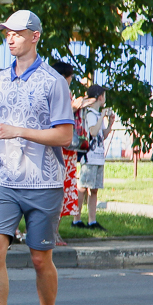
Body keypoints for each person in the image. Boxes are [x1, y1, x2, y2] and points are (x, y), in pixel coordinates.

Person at [0, 10, 73, 305]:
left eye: (17, 32)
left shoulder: (53, 82)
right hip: (2, 177)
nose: (10, 38)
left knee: (40, 258)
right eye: (6, 34)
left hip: (43, 181)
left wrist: (20, 131)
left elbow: (64, 135)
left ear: (35, 37)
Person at [50, 60, 91, 245]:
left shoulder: (49, 89)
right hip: (63, 149)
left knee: (58, 190)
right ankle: (53, 232)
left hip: (58, 147)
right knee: (60, 190)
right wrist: (75, 106)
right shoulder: (61, 91)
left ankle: (52, 232)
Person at [76, 85, 114, 230]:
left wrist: (109, 125)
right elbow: (92, 132)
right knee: (83, 187)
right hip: (89, 157)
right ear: (100, 97)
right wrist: (102, 116)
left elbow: (100, 136)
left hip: (98, 156)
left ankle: (92, 220)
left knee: (94, 189)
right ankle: (77, 218)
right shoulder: (91, 114)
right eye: (104, 96)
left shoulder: (98, 116)